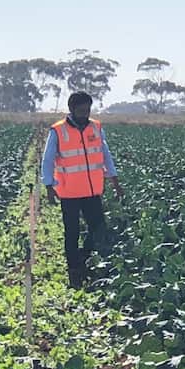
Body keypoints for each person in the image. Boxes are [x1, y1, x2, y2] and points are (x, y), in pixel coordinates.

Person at [42, 91, 123, 288]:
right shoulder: (58, 131)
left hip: (93, 190)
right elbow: (48, 159)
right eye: (80, 110)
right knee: (72, 232)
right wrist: (48, 185)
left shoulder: (96, 127)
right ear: (71, 109)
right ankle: (74, 271)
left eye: (87, 110)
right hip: (69, 192)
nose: (84, 113)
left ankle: (85, 259)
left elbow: (105, 154)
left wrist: (114, 180)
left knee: (98, 229)